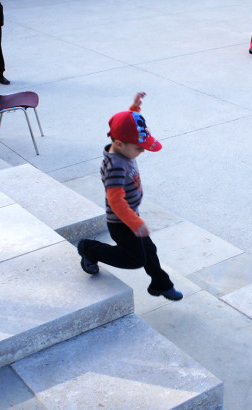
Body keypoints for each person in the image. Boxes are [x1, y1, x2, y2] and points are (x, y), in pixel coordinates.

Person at [77, 93, 183, 301]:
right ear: (118, 143)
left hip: (130, 217)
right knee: (134, 259)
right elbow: (115, 201)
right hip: (121, 221)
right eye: (138, 148)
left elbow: (126, 126)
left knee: (149, 250)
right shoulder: (116, 166)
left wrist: (134, 109)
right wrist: (135, 223)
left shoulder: (123, 148)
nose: (142, 151)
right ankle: (89, 249)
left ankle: (160, 284)